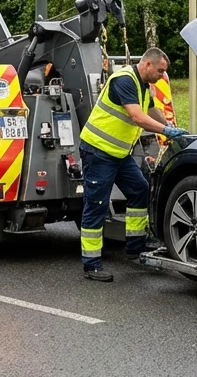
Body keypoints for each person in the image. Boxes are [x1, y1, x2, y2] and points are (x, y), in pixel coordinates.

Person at [77, 47, 187, 281]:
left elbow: (150, 110)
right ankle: (92, 264)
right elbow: (138, 117)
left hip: (118, 153)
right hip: (99, 151)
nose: (162, 76)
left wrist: (170, 126)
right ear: (147, 64)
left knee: (140, 190)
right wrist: (165, 130)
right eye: (160, 71)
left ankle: (135, 246)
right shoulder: (124, 81)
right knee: (96, 204)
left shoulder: (144, 85)